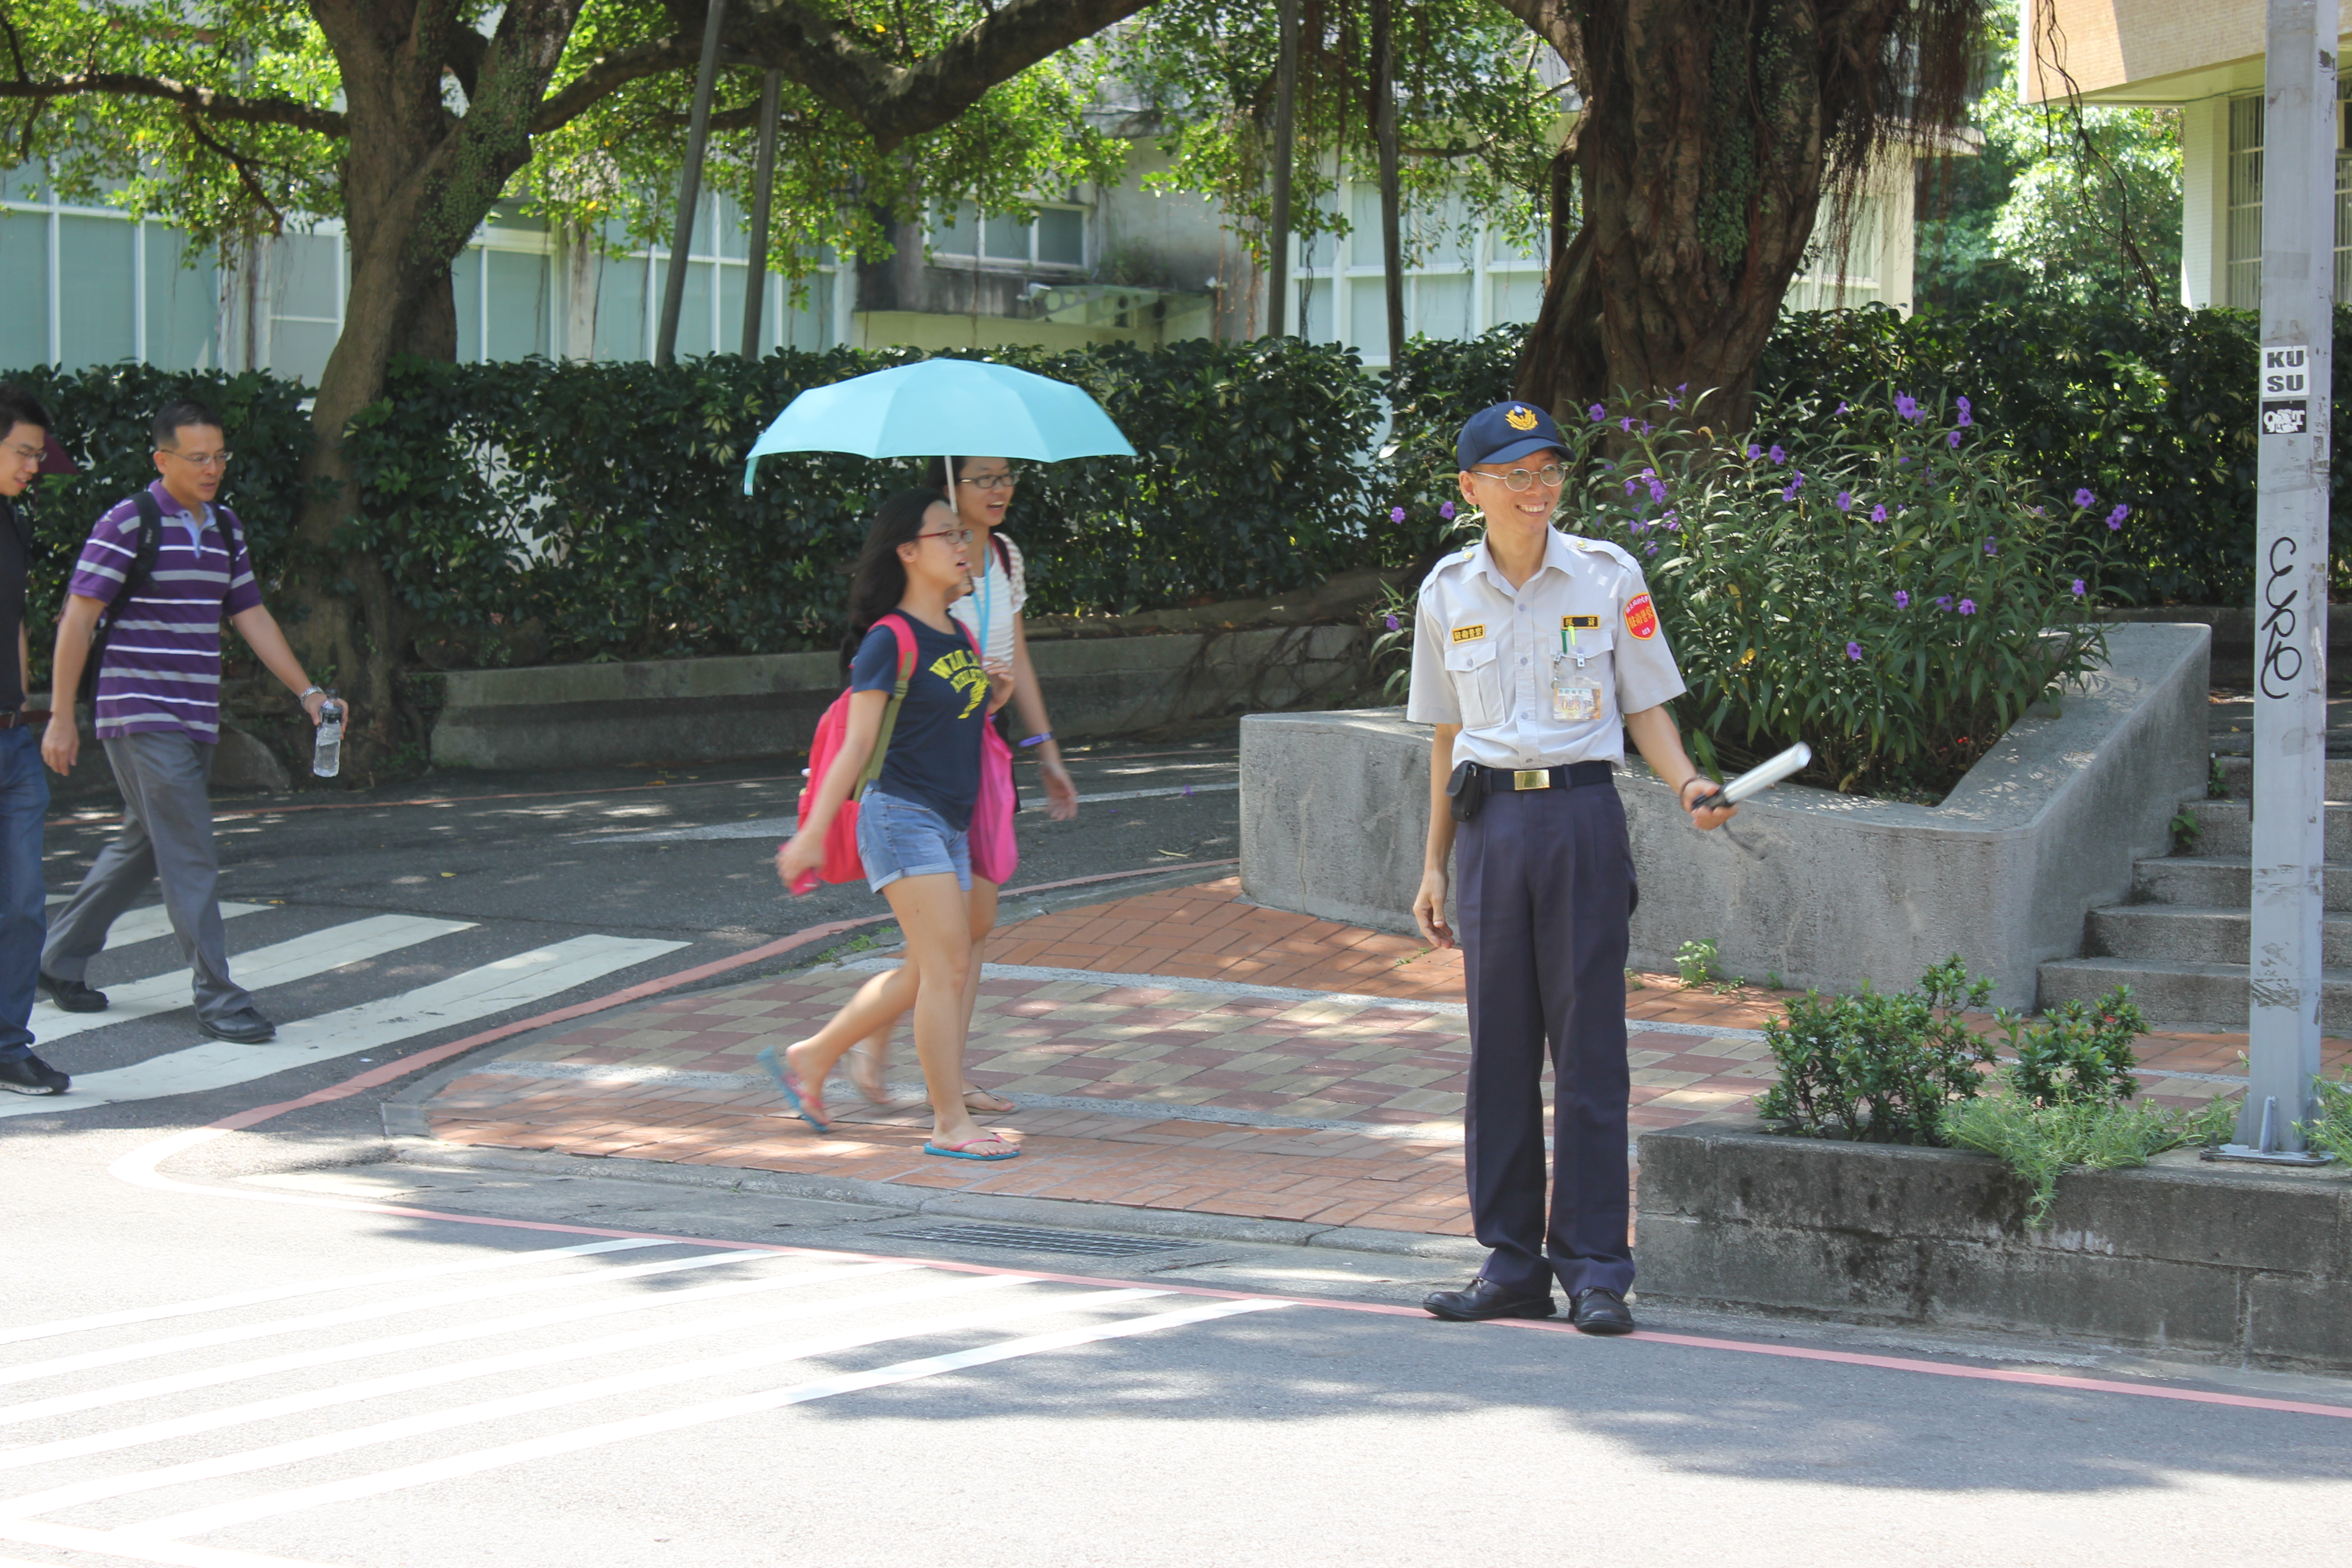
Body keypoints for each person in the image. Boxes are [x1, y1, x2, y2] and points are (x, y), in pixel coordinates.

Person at [1406, 400, 1735, 1334]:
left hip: (1584, 817)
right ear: (1471, 489)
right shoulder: (1446, 593)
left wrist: (1687, 785)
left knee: (1591, 1049)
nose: (1538, 488)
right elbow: (1445, 736)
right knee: (1497, 1054)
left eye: (1549, 470)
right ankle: (1511, 1263)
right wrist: (1434, 865)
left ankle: (1596, 1267)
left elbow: (1647, 708)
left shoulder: (1606, 574)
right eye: (1516, 474)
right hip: (1490, 828)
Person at [39, 399, 339, 1044]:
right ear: (162, 459)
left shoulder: (226, 528)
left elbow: (251, 615)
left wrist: (307, 692)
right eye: (198, 458)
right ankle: (219, 997)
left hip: (196, 713)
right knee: (190, 851)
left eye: (220, 457)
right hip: (138, 710)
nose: (212, 469)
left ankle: (57, 958)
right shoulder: (128, 522)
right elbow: (78, 618)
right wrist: (62, 715)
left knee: (145, 844)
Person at [773, 489, 1018, 1161]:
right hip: (901, 816)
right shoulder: (890, 639)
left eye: (960, 537)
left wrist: (992, 698)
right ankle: (949, 1125)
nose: (963, 546)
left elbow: (953, 729)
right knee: (947, 967)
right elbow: (856, 747)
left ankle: (814, 1054)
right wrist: (811, 834)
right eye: (948, 535)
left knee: (933, 965)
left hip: (950, 821)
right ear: (908, 551)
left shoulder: (959, 634)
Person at [834, 454, 1080, 1112]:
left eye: (1007, 477)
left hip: (981, 757)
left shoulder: (1002, 558)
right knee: (948, 946)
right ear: (948, 492)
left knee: (968, 932)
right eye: (983, 478)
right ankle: (910, 1074)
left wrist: (1043, 747)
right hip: (922, 775)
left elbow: (1016, 656)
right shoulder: (920, 596)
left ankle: (878, 1048)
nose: (1000, 489)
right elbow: (870, 719)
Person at [0, 387, 65, 1094]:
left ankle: (9, 1044)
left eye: (39, 455)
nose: (35, 466)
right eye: (24, 451)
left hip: (14, 743)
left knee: (22, 902)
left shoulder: (14, 522)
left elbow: (15, 619)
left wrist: (25, 704)